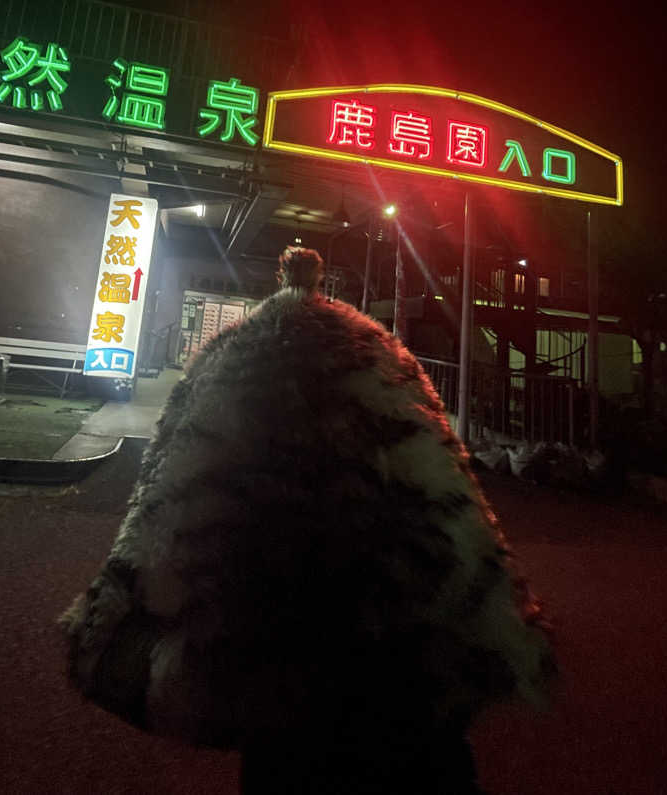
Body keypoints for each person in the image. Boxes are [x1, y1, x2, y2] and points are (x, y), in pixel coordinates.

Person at [61, 247, 555, 793]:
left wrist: (121, 638)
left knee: (286, 765)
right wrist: (496, 636)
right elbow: (454, 509)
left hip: (275, 673)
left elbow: (161, 516)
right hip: (406, 674)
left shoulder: (231, 374)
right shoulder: (384, 366)